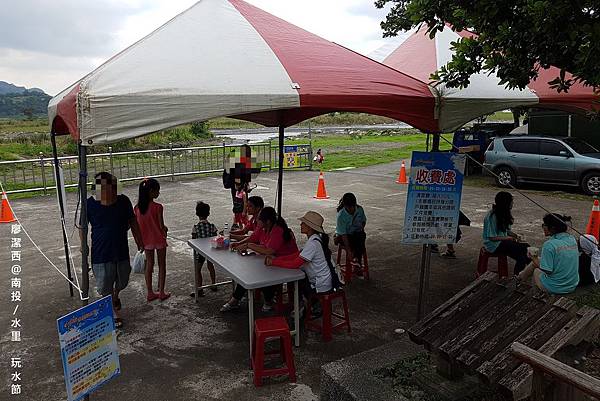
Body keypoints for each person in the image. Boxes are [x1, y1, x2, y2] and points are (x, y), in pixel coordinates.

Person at [83, 172, 144, 329]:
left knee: (123, 279)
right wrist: (84, 246)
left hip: (121, 248)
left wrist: (139, 239)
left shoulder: (123, 201)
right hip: (101, 251)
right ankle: (113, 311)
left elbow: (133, 221)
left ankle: (115, 296)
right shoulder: (89, 204)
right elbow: (82, 227)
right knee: (104, 284)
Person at [221, 207, 298, 312]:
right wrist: (238, 244)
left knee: (259, 275)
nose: (257, 220)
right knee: (249, 272)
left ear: (268, 221)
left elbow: (269, 251)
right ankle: (236, 299)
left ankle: (267, 300)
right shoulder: (263, 228)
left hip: (286, 263)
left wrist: (249, 245)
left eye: (260, 219)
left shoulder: (278, 230)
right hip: (272, 261)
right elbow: (253, 238)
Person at [265, 211, 340, 317]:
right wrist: (277, 259)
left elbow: (295, 263)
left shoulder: (313, 243)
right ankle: (304, 304)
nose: (300, 225)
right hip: (323, 279)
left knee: (296, 281)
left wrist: (274, 262)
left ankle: (307, 305)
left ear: (309, 227)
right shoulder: (314, 239)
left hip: (321, 283)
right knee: (297, 279)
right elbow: (297, 255)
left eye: (303, 223)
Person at [518, 214, 579, 294]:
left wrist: (533, 257)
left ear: (552, 228)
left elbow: (547, 270)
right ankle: (520, 277)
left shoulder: (549, 244)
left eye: (544, 225)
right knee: (538, 260)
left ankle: (535, 296)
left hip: (556, 287)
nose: (543, 227)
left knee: (536, 271)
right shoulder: (571, 239)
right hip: (572, 285)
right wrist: (536, 259)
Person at [134, 178, 170, 302]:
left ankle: (150, 292)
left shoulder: (137, 208)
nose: (158, 193)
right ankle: (161, 292)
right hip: (159, 240)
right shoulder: (158, 207)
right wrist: (165, 229)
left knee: (149, 265)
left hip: (146, 241)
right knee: (162, 265)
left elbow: (137, 226)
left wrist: (139, 242)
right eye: (157, 191)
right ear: (151, 191)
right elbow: (161, 226)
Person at [482, 191, 530, 274]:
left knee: (526, 248)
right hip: (493, 245)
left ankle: (527, 273)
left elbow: (505, 230)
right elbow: (492, 237)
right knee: (521, 252)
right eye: (511, 201)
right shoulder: (492, 216)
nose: (512, 203)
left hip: (503, 242)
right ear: (505, 203)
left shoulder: (503, 213)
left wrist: (515, 235)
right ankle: (519, 276)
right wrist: (509, 238)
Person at [190, 201, 219, 297]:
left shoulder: (196, 228)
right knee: (211, 266)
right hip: (210, 250)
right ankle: (213, 284)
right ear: (208, 214)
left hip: (200, 251)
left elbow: (194, 240)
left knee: (198, 269)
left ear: (197, 214)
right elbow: (215, 238)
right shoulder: (212, 226)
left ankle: (200, 288)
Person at [334, 193, 367, 272]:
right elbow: (343, 234)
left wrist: (360, 228)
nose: (351, 209)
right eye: (349, 207)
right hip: (343, 236)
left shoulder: (359, 210)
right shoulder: (341, 216)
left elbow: (363, 221)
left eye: (353, 206)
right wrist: (348, 251)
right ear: (345, 206)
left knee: (362, 236)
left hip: (356, 233)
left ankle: (356, 261)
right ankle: (356, 260)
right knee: (355, 242)